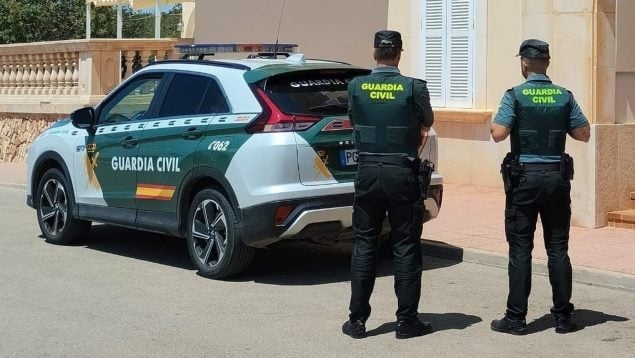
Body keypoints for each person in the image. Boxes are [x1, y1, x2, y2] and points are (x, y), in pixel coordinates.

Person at [490, 39, 591, 335]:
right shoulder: (564, 96)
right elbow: (583, 134)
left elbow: (498, 133)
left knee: (521, 248)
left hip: (524, 180)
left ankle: (516, 318)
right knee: (558, 248)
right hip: (556, 179)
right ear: (547, 63)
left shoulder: (515, 95)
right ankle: (563, 317)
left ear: (524, 63)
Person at [342, 30, 434, 339]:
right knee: (406, 246)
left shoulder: (355, 86)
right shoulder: (413, 87)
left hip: (367, 171)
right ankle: (407, 321)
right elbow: (427, 122)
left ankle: (357, 320)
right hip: (401, 172)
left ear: (374, 52)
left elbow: (355, 121)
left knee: (364, 245)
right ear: (399, 53)